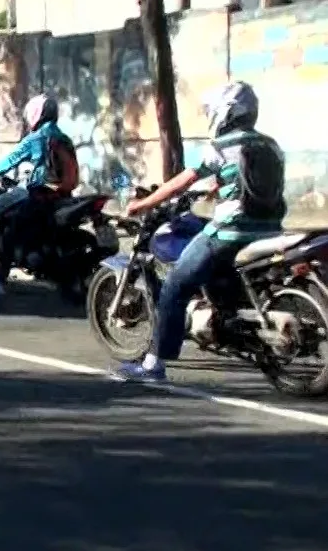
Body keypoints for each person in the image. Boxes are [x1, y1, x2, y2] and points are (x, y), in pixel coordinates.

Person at [116, 81, 285, 383]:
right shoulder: (270, 145)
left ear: (225, 113)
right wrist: (216, 189)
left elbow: (180, 182)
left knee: (174, 286)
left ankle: (153, 364)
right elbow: (251, 182)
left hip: (231, 232)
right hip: (271, 231)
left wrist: (142, 204)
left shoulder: (220, 148)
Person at [0, 94, 79, 295]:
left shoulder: (36, 138)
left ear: (35, 115)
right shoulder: (64, 138)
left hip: (39, 194)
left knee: (7, 227)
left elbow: (11, 159)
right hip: (64, 196)